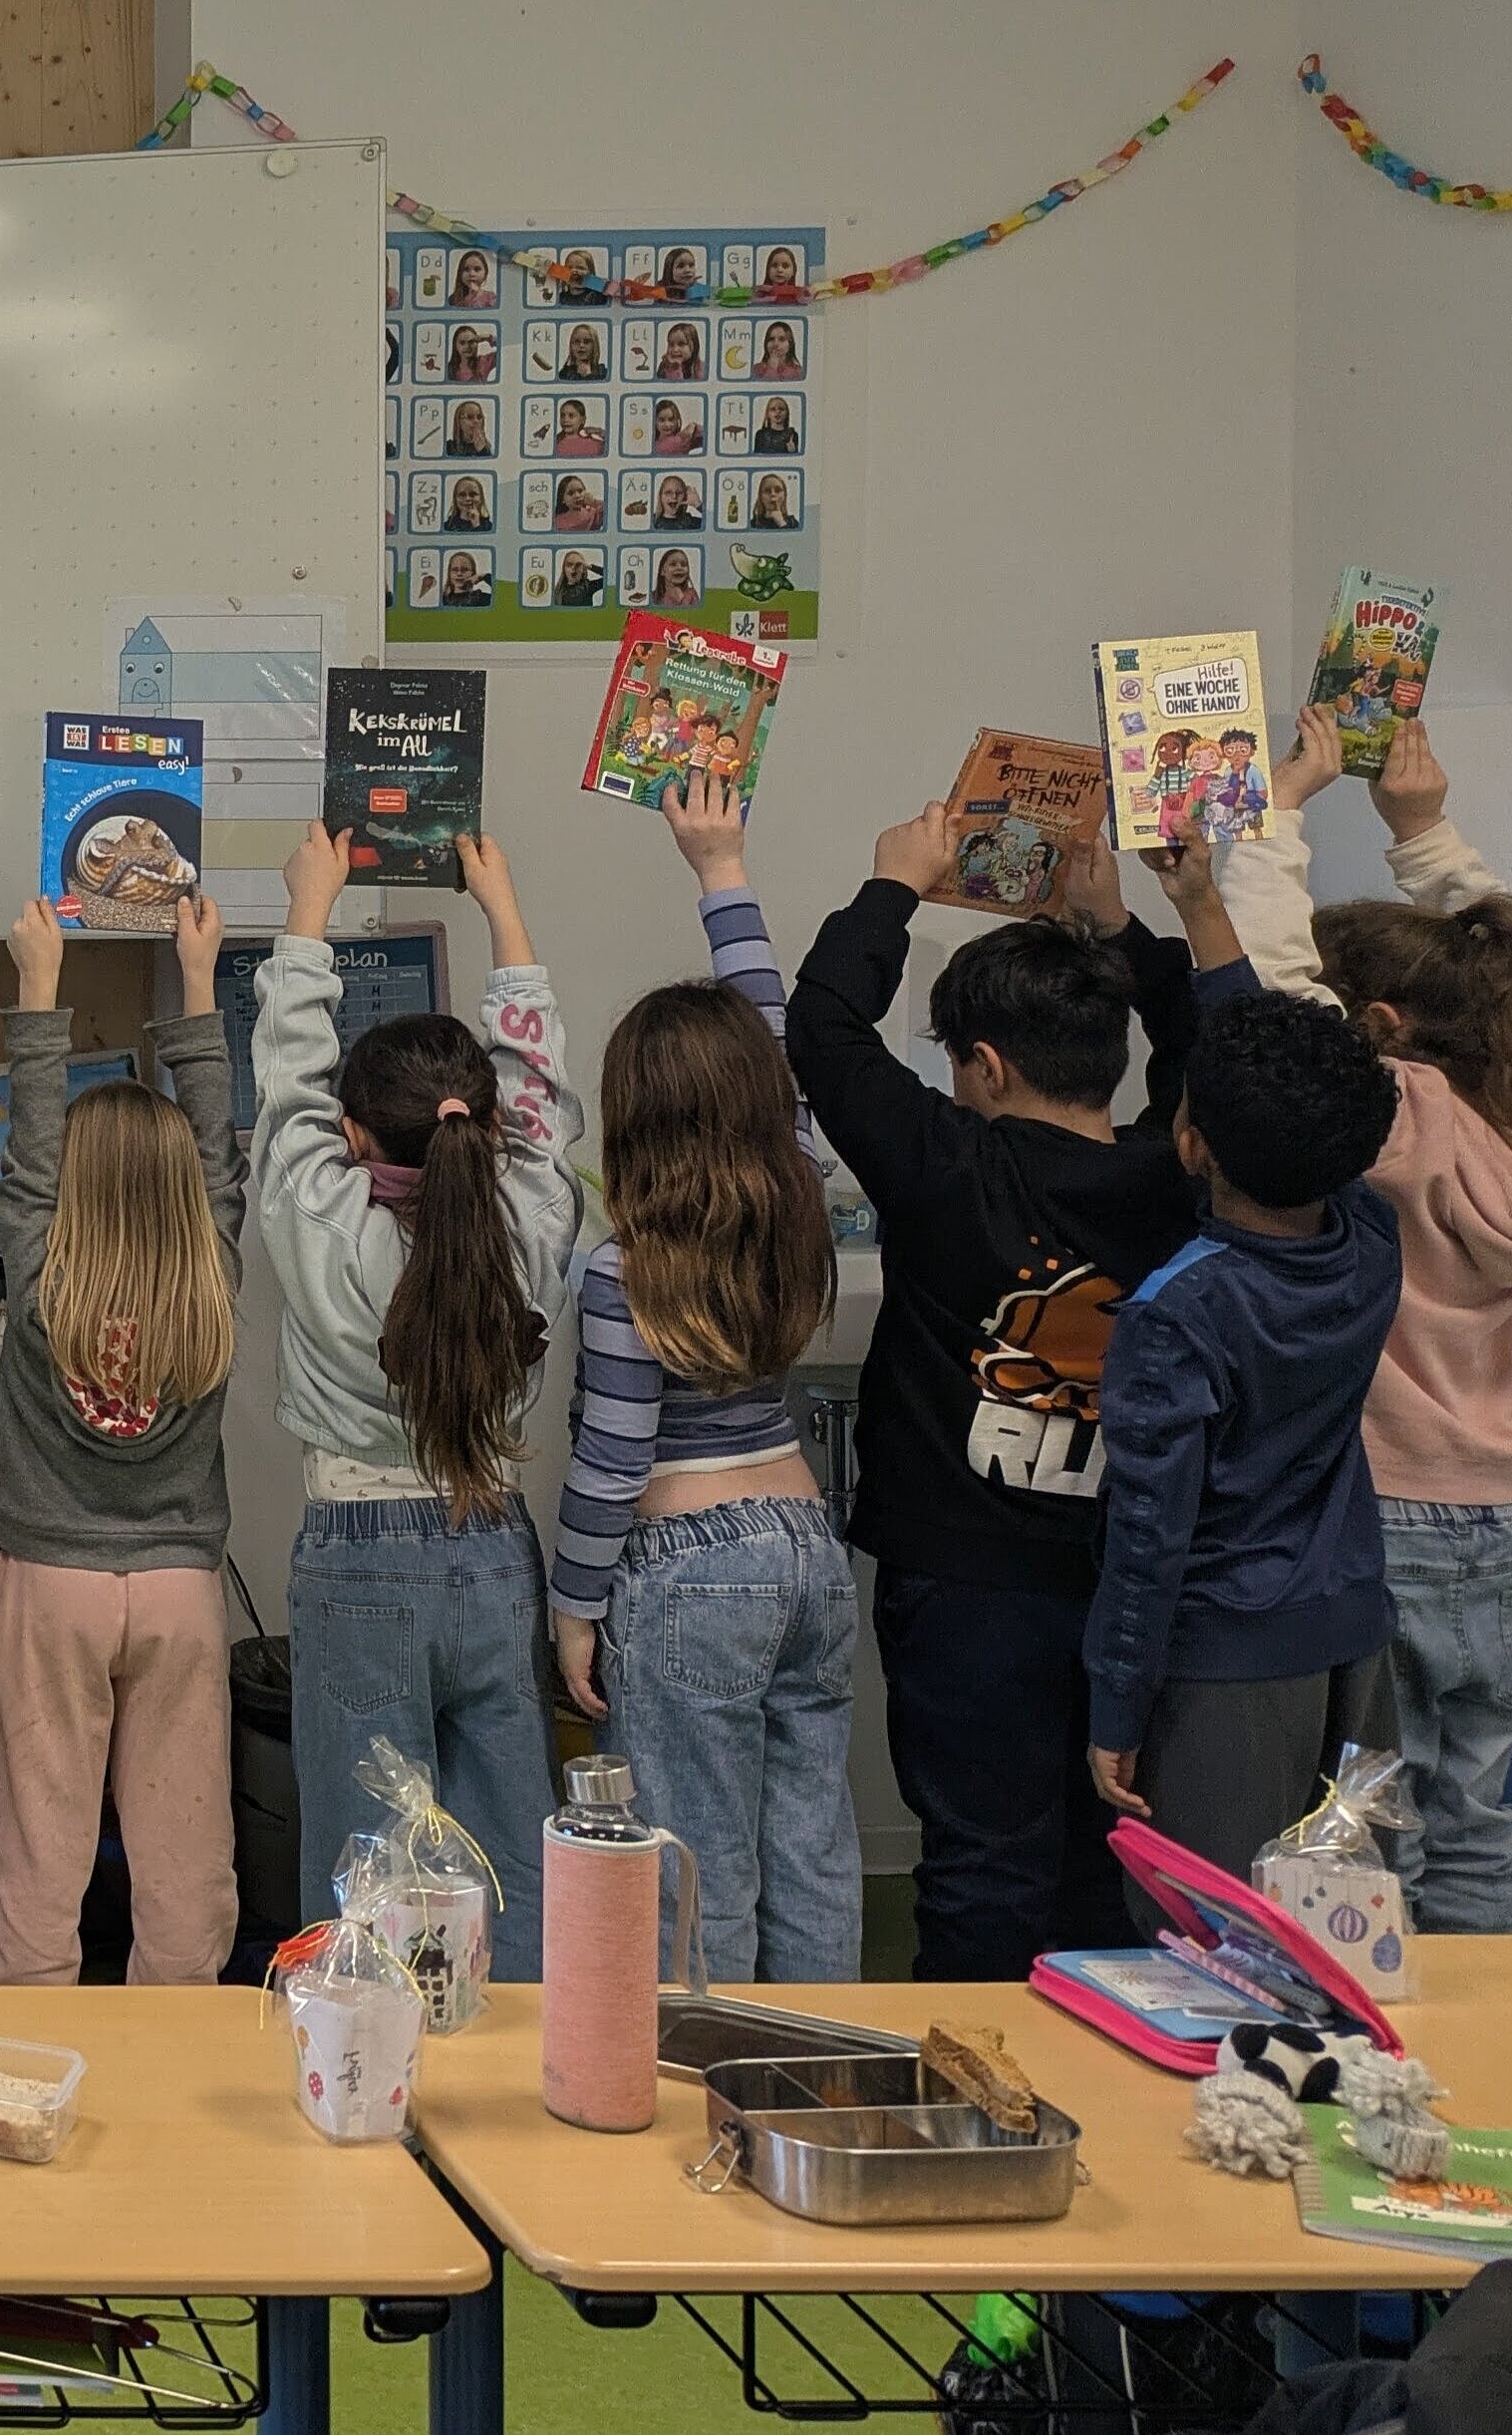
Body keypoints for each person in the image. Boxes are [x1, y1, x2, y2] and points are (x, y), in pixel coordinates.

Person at [785, 794, 1237, 1980]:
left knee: (982, 1859)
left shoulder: (950, 1168)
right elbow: (1206, 1054)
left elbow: (824, 1028)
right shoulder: (1179, 1171)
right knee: (1107, 1853)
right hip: (1131, 1583)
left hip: (964, 1585)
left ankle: (973, 2100)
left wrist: (896, 880)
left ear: (983, 1064)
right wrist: (1128, 933)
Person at [547, 781, 858, 1982]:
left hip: (689, 1570)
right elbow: (771, 1042)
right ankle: (825, 2083)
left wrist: (573, 1607)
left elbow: (614, 1458)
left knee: (694, 1868)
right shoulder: (799, 1195)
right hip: (804, 1542)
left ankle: (704, 2098)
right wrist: (721, 868)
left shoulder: (626, 1269)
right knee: (816, 1850)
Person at [257, 823, 577, 1976]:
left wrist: (308, 914)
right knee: (513, 1856)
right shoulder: (534, 1220)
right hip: (493, 1549)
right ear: (487, 1124)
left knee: (364, 1861)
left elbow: (286, 1076)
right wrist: (502, 907)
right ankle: (529, 2081)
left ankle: (371, 2083)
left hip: (354, 1559)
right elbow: (539, 1092)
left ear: (350, 1138)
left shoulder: (317, 1221)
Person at [1219, 711, 1512, 1929]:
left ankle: (1391, 2065)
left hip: (1388, 1508)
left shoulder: (1402, 1127)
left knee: (1365, 1816)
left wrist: (1283, 805)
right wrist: (1427, 835)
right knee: (1486, 1814)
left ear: (1382, 1032)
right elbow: (1500, 969)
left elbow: (1282, 989)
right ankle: (1497, 2066)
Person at [1084, 987, 1403, 1891]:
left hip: (1225, 1663)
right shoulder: (1371, 1238)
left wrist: (1118, 1705)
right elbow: (1313, 1115)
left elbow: (1151, 1538)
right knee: (1349, 1926)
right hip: (1354, 1636)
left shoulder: (1177, 1313)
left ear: (1191, 1147)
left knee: (1216, 1940)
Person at [0, 891, 244, 1985]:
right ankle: (169, 2086)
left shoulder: (43, 1283)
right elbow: (221, 1154)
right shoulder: (213, 1282)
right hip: (180, 1589)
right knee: (186, 1868)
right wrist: (196, 983)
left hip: (50, 1579)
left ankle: (33, 2069)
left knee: (41, 1856)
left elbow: (32, 1159)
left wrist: (39, 987)